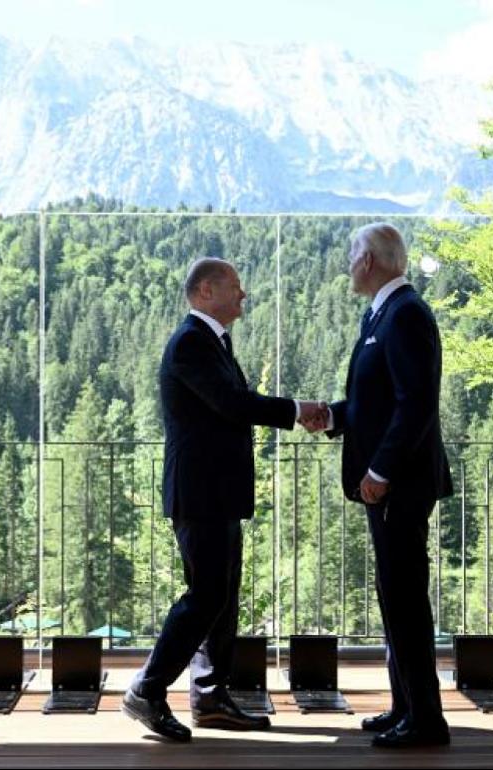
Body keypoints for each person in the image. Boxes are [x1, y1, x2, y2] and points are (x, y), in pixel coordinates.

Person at [122, 257, 328, 742]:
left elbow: (229, 408)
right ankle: (146, 691)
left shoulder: (213, 341)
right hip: (200, 494)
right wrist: (298, 410)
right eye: (235, 285)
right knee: (205, 595)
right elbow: (233, 405)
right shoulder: (191, 342)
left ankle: (211, 698)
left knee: (222, 597)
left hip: (217, 493)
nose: (244, 293)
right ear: (206, 291)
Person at [305, 222, 453, 748]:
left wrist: (381, 471)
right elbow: (376, 403)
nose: (348, 264)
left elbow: (416, 404)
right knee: (394, 593)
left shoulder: (407, 313)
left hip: (400, 485)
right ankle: (406, 706)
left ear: (368, 261)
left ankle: (426, 719)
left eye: (352, 255)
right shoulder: (381, 313)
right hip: (391, 485)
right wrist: (333, 416)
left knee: (405, 597)